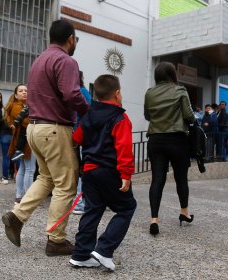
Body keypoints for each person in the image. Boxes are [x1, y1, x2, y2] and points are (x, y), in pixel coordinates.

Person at [1, 19, 89, 256]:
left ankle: (17, 216)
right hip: (55, 129)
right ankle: (56, 240)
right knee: (65, 185)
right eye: (75, 39)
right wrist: (89, 112)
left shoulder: (39, 60)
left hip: (35, 129)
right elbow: (71, 94)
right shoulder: (67, 60)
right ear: (71, 38)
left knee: (46, 178)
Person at [69, 74, 136, 271]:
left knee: (93, 209)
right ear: (117, 94)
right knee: (126, 208)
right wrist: (126, 174)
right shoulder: (120, 118)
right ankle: (104, 250)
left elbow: (77, 137)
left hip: (89, 171)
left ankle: (81, 254)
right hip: (109, 171)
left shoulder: (89, 114)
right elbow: (124, 148)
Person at [144, 62, 196, 236]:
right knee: (181, 178)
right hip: (177, 140)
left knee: (157, 179)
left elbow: (147, 115)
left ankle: (154, 220)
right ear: (172, 74)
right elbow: (189, 116)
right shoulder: (180, 90)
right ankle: (184, 213)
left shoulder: (149, 93)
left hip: (155, 139)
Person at [4, 84, 36, 204]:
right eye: (21, 91)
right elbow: (28, 122)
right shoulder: (16, 106)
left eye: (26, 90)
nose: (24, 92)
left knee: (23, 168)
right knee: (30, 169)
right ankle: (28, 197)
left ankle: (19, 196)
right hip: (24, 142)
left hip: (23, 141)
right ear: (16, 94)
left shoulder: (24, 106)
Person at [72, 70, 92, 215]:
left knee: (79, 168)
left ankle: (78, 203)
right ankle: (78, 203)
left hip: (78, 135)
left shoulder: (80, 92)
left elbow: (85, 115)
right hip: (76, 134)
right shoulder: (80, 91)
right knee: (78, 168)